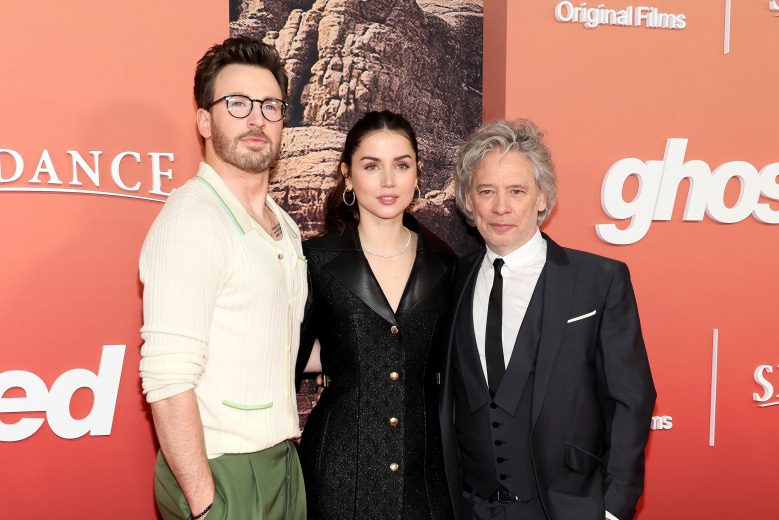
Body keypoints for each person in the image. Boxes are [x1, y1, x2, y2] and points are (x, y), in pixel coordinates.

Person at [440, 119, 656, 520]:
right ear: (469, 202)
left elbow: (631, 399)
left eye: (517, 191)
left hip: (568, 508)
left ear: (542, 198)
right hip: (470, 509)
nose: (501, 207)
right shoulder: (450, 280)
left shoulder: (599, 281)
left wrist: (612, 508)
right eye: (487, 191)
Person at [139, 36, 307, 520]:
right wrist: (205, 505)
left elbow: (280, 337)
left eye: (270, 105)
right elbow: (168, 380)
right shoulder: (191, 222)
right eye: (237, 103)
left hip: (282, 461)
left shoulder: (284, 226)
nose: (256, 118)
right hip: (221, 472)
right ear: (204, 120)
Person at [295, 110, 456, 520]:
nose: (388, 181)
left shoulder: (447, 263)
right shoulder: (315, 260)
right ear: (347, 175)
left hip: (425, 474)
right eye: (372, 166)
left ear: (417, 173)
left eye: (401, 165)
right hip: (338, 473)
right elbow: (286, 363)